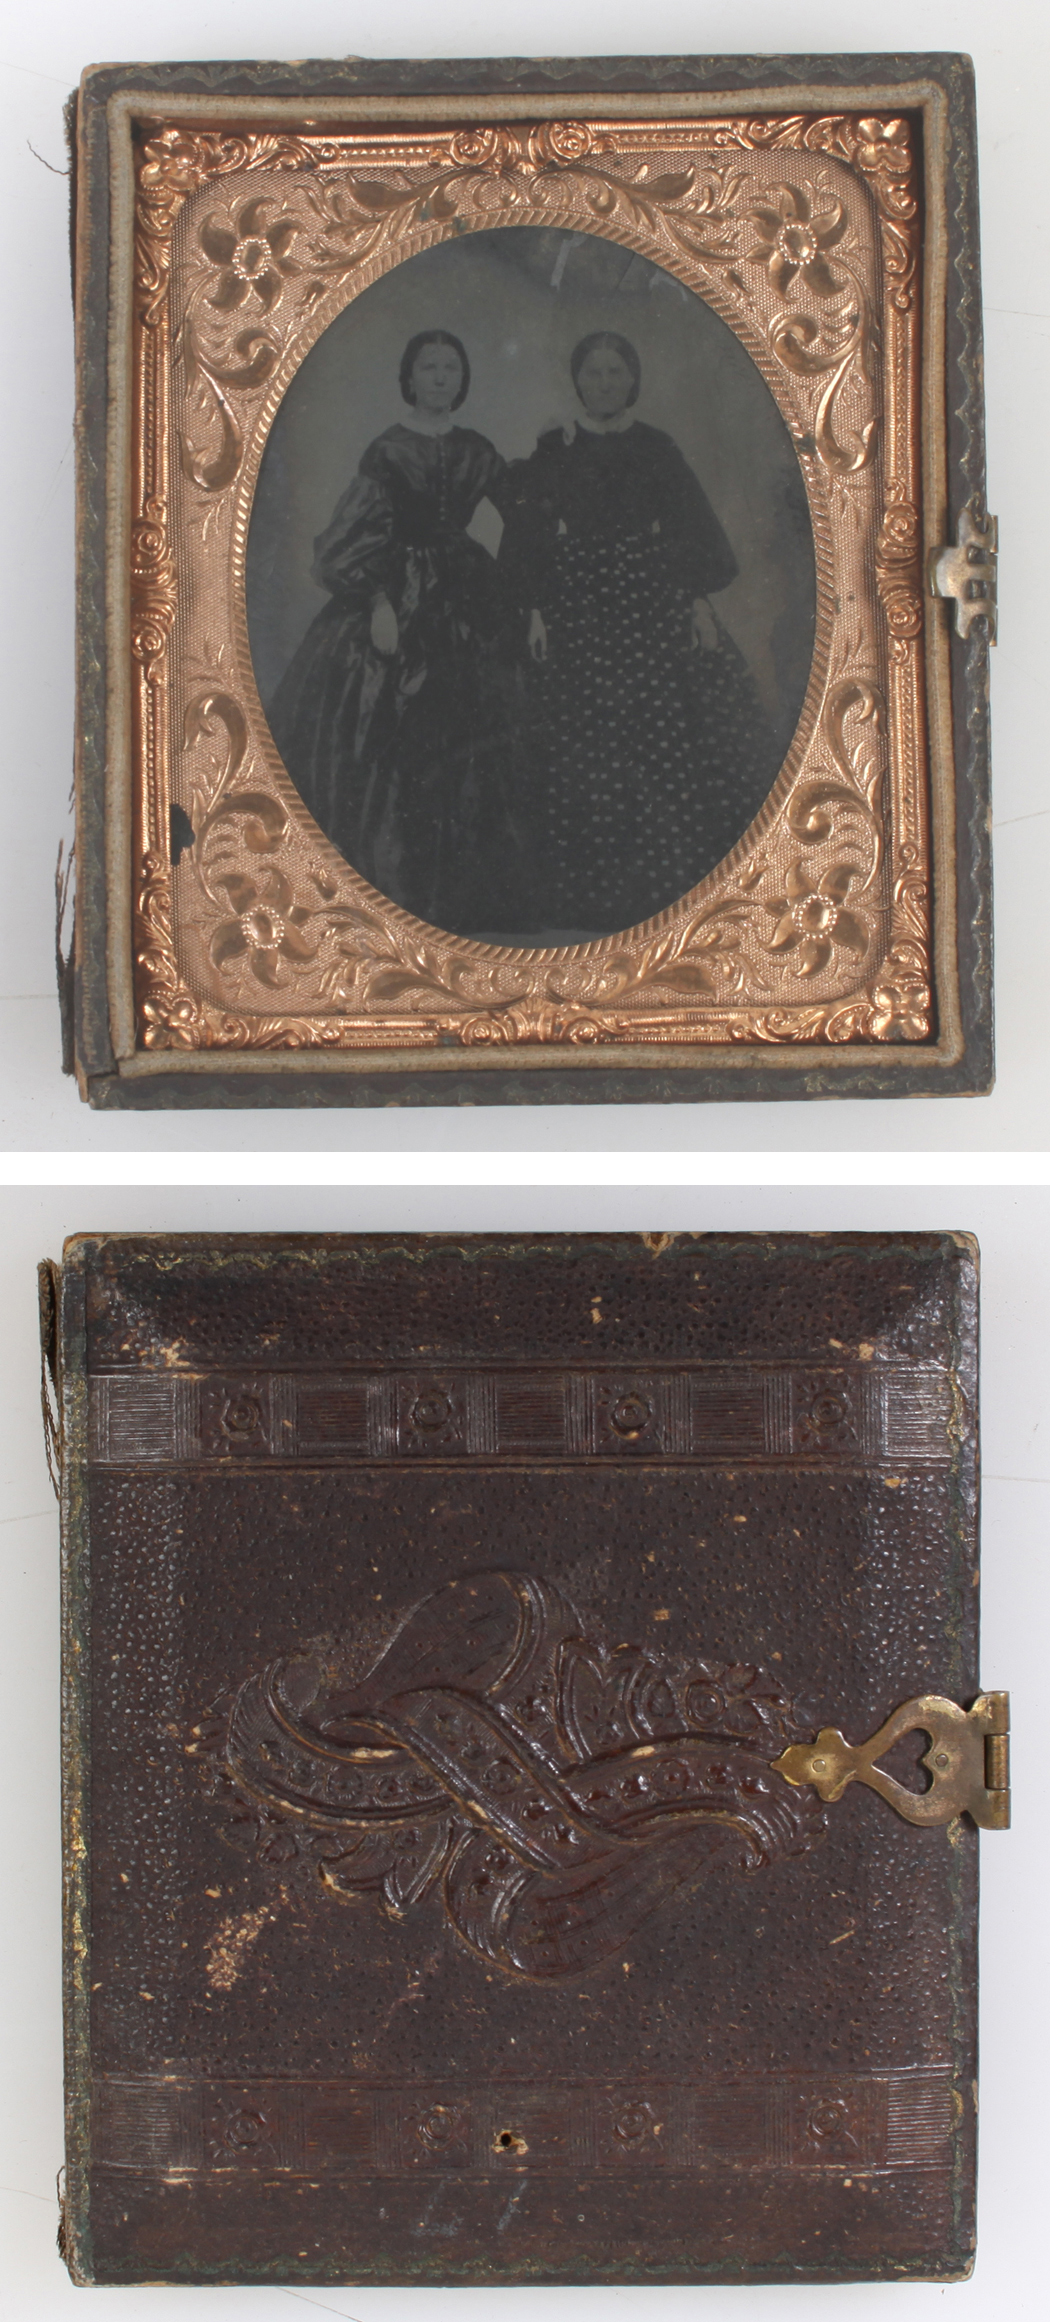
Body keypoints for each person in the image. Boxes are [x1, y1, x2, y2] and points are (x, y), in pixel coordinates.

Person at [499, 330, 780, 935]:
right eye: (593, 373)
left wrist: (696, 604)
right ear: (578, 380)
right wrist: (536, 611)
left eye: (615, 373)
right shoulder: (555, 448)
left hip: (647, 602)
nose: (604, 384)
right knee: (583, 746)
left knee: (659, 738)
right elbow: (529, 535)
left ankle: (658, 894)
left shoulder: (656, 447)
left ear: (632, 381)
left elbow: (691, 530)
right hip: (576, 607)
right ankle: (589, 899)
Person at [266, 330, 518, 933]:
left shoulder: (477, 449)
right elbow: (352, 536)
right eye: (429, 367)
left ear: (463, 379)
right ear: (409, 377)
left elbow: (524, 510)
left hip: (465, 590)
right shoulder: (387, 449)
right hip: (395, 590)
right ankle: (391, 885)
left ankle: (464, 895)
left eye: (451, 368)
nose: (440, 377)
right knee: (386, 719)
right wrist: (379, 602)